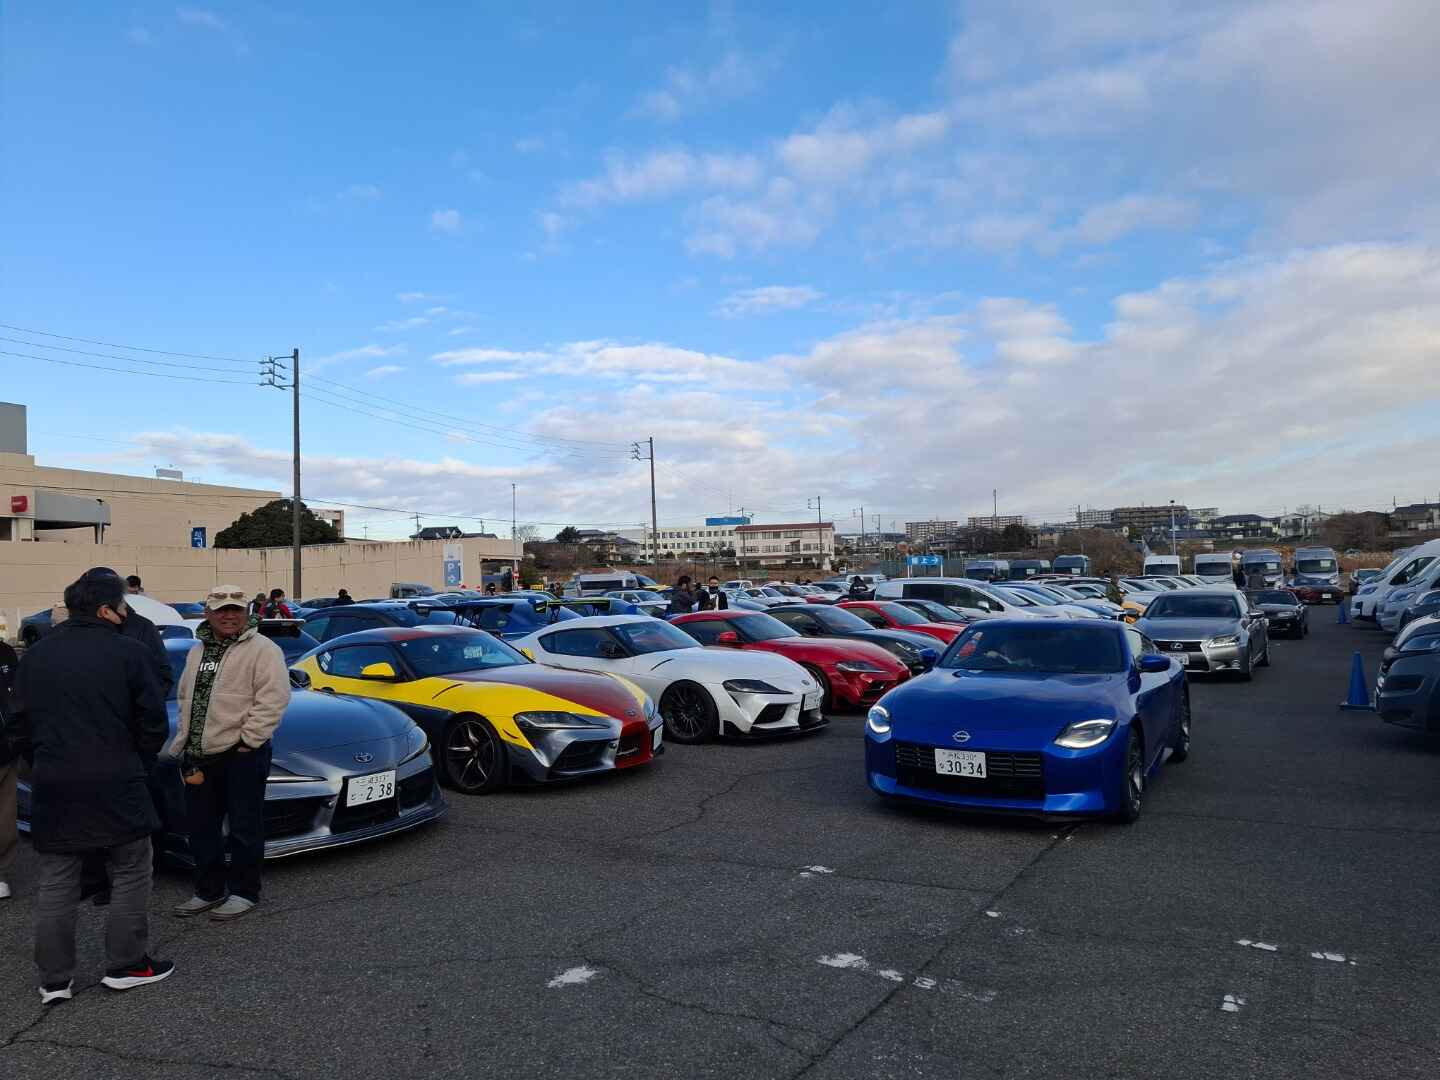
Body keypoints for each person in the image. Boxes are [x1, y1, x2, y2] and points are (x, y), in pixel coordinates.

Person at [16, 573, 173, 1004]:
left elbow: (19, 726)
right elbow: (153, 722)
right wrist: (136, 762)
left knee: (57, 879)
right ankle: (127, 964)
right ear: (105, 610)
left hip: (55, 782)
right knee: (132, 869)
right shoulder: (131, 653)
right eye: (122, 608)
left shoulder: (36, 656)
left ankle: (54, 980)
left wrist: (45, 763)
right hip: (118, 779)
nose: (126, 615)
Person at [169, 585, 289, 922]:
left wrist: (248, 741)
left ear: (246, 612)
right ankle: (208, 890)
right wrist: (185, 741)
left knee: (244, 828)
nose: (229, 615)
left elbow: (274, 699)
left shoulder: (263, 649)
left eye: (236, 609)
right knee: (202, 828)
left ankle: (243, 892)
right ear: (207, 613)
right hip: (199, 755)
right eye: (221, 609)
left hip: (241, 755)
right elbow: (186, 699)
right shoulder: (198, 650)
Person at [0, 638, 19, 901]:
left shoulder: (4, 652)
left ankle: (2, 873)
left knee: (5, 815)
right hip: (6, 744)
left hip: (5, 747)